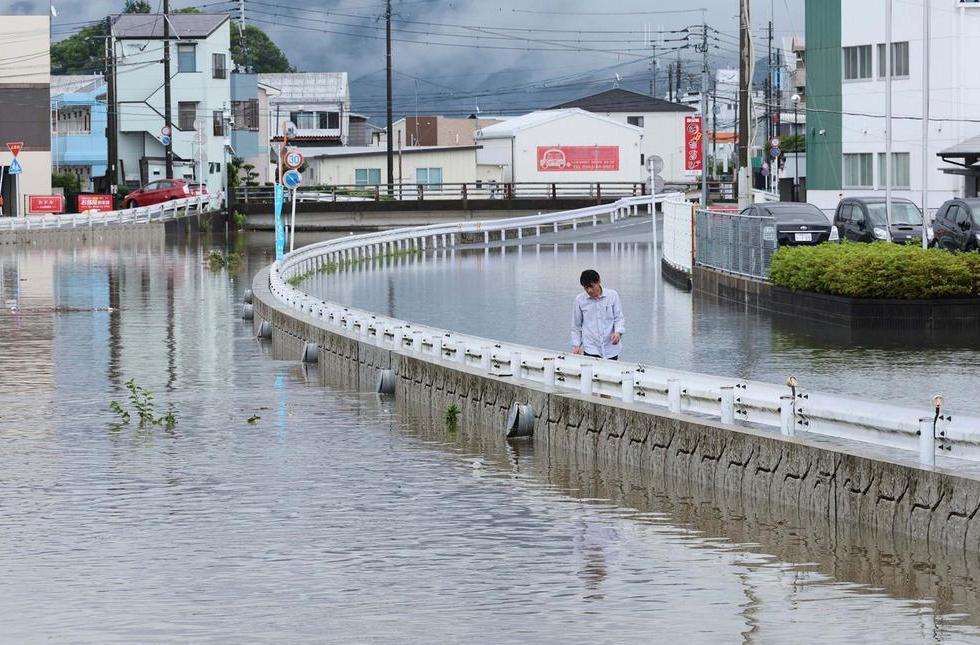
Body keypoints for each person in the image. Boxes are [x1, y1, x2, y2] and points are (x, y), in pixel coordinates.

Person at [571, 269, 624, 360]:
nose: (589, 290)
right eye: (586, 288)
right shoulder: (579, 300)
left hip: (610, 347)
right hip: (591, 347)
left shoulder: (613, 295)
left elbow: (618, 318)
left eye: (591, 286)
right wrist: (576, 345)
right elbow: (576, 325)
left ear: (598, 281)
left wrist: (618, 332)